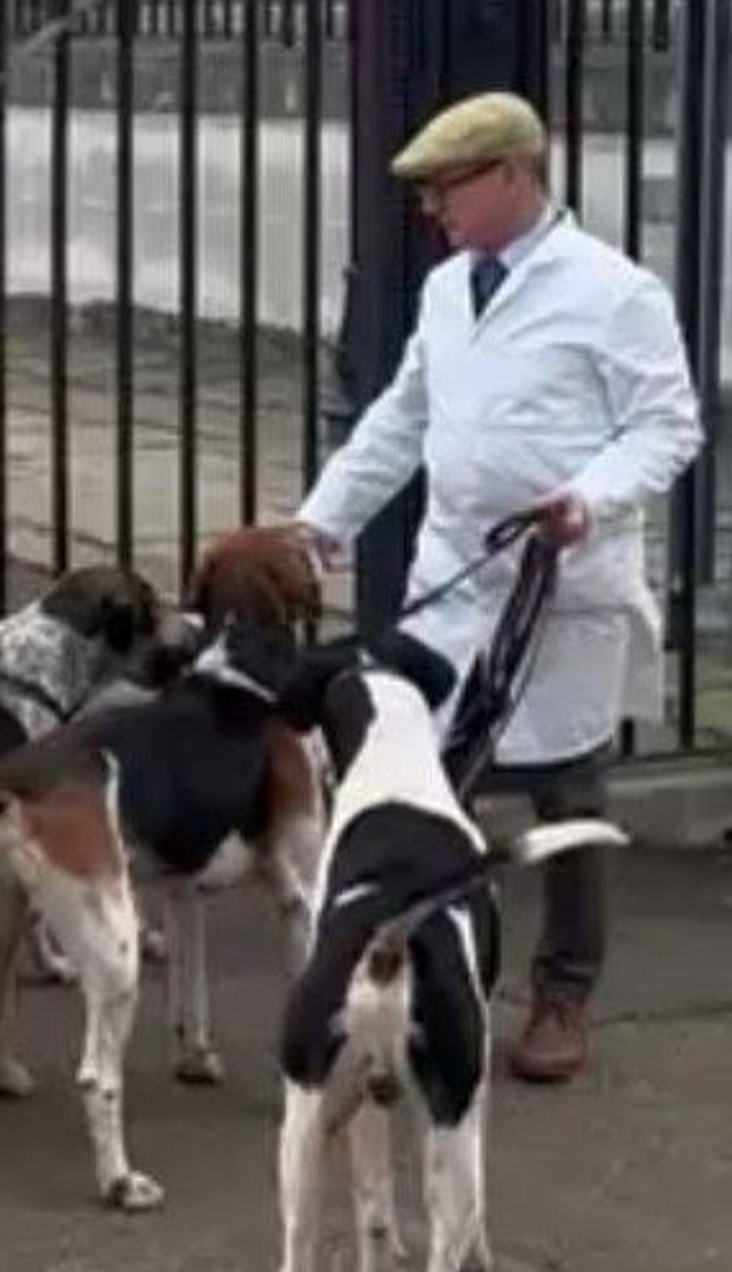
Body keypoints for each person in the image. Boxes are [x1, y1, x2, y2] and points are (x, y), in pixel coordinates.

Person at [297, 91, 703, 1085]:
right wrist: (322, 519)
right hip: (456, 576)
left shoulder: (614, 291)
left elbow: (668, 424)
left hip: (560, 580)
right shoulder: (447, 289)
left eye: (447, 187)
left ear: (514, 174)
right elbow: (401, 418)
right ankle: (432, 975)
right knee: (433, 785)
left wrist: (587, 497)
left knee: (566, 788)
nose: (432, 207)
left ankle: (562, 992)